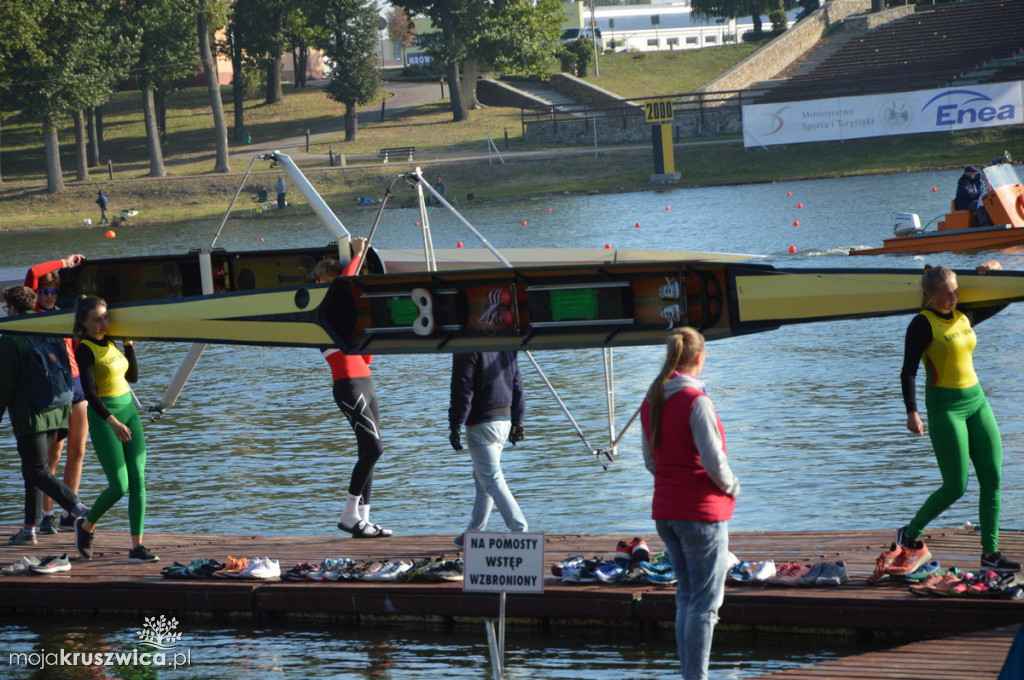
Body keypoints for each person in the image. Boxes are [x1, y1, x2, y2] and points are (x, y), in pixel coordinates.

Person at [891, 261, 1020, 576]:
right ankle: (909, 532)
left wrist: (997, 268)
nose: (954, 298)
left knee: (993, 478)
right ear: (930, 295)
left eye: (956, 292)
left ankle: (990, 554)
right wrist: (912, 412)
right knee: (956, 485)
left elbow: (1003, 299)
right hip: (945, 407)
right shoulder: (921, 324)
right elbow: (908, 371)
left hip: (977, 401)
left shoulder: (965, 315)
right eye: (947, 294)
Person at [640, 326, 739, 680]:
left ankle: (689, 675)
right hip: (701, 514)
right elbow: (713, 462)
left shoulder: (652, 400)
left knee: (686, 598)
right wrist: (733, 486)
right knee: (705, 605)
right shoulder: (697, 401)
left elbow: (651, 462)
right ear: (699, 357)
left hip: (666, 513)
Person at [0, 286, 91, 548]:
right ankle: (29, 529)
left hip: (31, 416)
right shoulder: (50, 330)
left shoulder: (11, 339)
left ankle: (80, 510)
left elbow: (4, 385)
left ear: (12, 308)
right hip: (57, 410)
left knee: (37, 470)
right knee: (32, 470)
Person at [314, 238, 392, 538]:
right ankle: (348, 515)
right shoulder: (321, 310)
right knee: (374, 448)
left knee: (368, 452)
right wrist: (358, 255)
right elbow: (344, 284)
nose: (328, 286)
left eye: (329, 281)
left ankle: (364, 519)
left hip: (366, 384)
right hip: (348, 386)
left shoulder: (346, 316)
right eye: (324, 282)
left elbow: (366, 358)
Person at [72, 295, 159, 563]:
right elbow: (89, 392)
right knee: (120, 486)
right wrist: (112, 421)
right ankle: (86, 525)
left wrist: (128, 345)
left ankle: (137, 547)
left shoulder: (111, 342)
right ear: (84, 322)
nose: (104, 323)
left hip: (129, 413)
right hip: (104, 417)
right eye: (97, 319)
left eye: (106, 317)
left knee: (138, 480)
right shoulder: (85, 348)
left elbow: (132, 377)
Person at [24, 254, 90, 534]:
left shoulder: (65, 314)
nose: (49, 296)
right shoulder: (33, 313)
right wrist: (65, 262)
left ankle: (68, 514)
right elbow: (33, 271)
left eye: (53, 291)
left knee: (78, 450)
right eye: (44, 291)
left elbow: (76, 350)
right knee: (55, 453)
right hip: (53, 388)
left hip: (76, 384)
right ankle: (48, 515)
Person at [448, 350, 527, 546]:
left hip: (481, 423)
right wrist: (518, 419)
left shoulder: (465, 348)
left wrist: (455, 423)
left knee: (491, 479)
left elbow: (462, 386)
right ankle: (473, 532)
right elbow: (517, 382)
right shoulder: (506, 344)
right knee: (481, 478)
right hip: (504, 420)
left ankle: (520, 531)